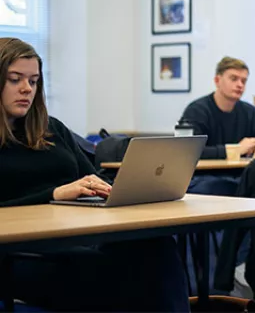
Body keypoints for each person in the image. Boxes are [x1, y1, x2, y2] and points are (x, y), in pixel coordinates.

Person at [0, 37, 189, 312]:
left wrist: (124, 191)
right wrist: (52, 195)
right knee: (115, 274)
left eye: (34, 80)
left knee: (156, 246)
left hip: (77, 237)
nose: (26, 89)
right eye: (15, 79)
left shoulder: (52, 129)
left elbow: (93, 182)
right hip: (21, 252)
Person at [180, 56, 255, 193]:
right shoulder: (197, 111)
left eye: (244, 81)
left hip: (239, 175)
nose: (240, 85)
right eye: (234, 79)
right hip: (203, 177)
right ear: (217, 80)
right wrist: (237, 149)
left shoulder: (250, 112)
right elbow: (189, 150)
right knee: (218, 187)